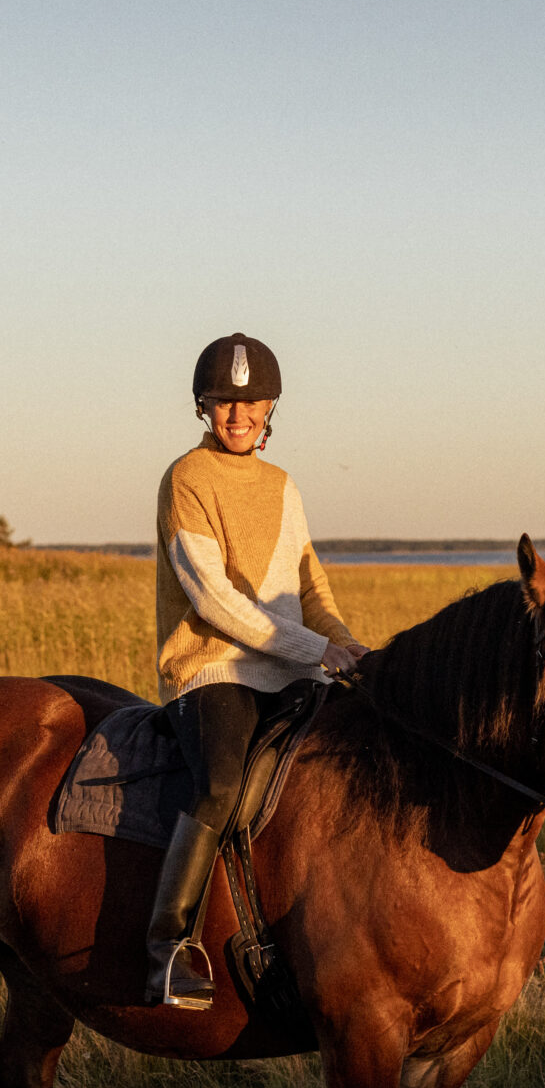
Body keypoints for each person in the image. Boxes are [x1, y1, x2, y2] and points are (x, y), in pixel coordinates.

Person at [146, 333, 367, 1008]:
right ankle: (167, 948)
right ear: (202, 407)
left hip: (292, 669)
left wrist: (349, 648)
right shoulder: (186, 479)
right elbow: (213, 600)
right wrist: (312, 650)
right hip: (215, 668)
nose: (238, 416)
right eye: (223, 403)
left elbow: (312, 588)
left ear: (271, 406)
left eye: (251, 403)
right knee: (220, 787)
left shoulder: (282, 486)